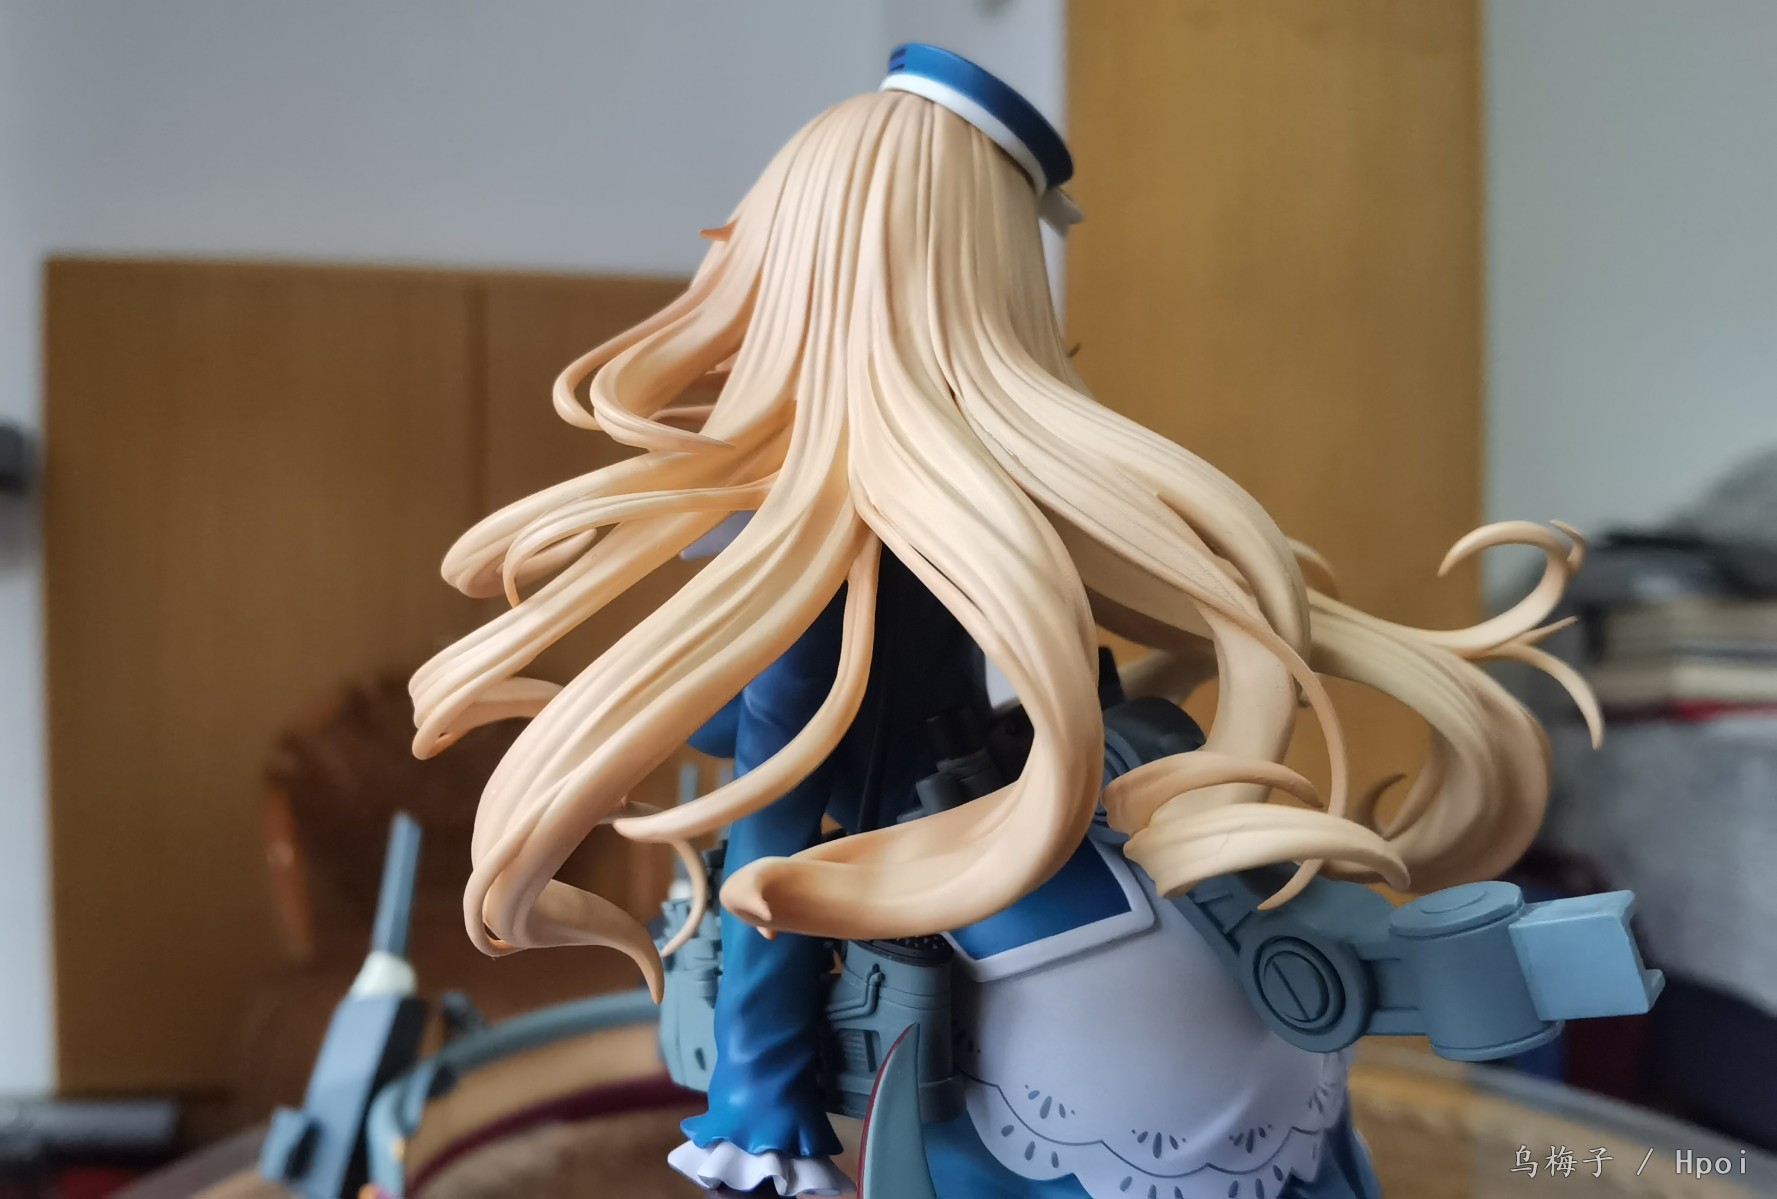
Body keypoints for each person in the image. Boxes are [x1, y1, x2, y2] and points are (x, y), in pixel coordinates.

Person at [410, 45, 1595, 1198]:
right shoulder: (1002, 492)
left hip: (911, 856)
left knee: (767, 893)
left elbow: (776, 809)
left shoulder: (828, 539)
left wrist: (755, 1099)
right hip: (1029, 801)